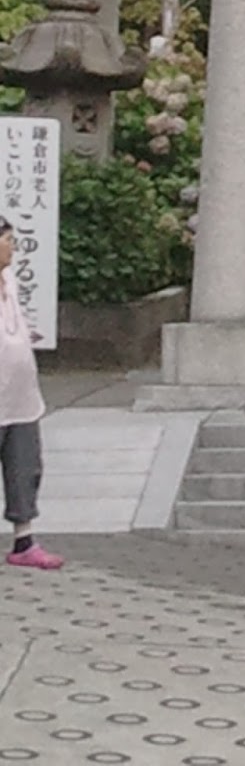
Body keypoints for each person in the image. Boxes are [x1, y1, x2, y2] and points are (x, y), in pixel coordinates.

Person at [0, 219, 63, 569]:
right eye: (8, 240)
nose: (13, 247)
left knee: (24, 468)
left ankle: (24, 540)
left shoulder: (9, 278)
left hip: (21, 396)